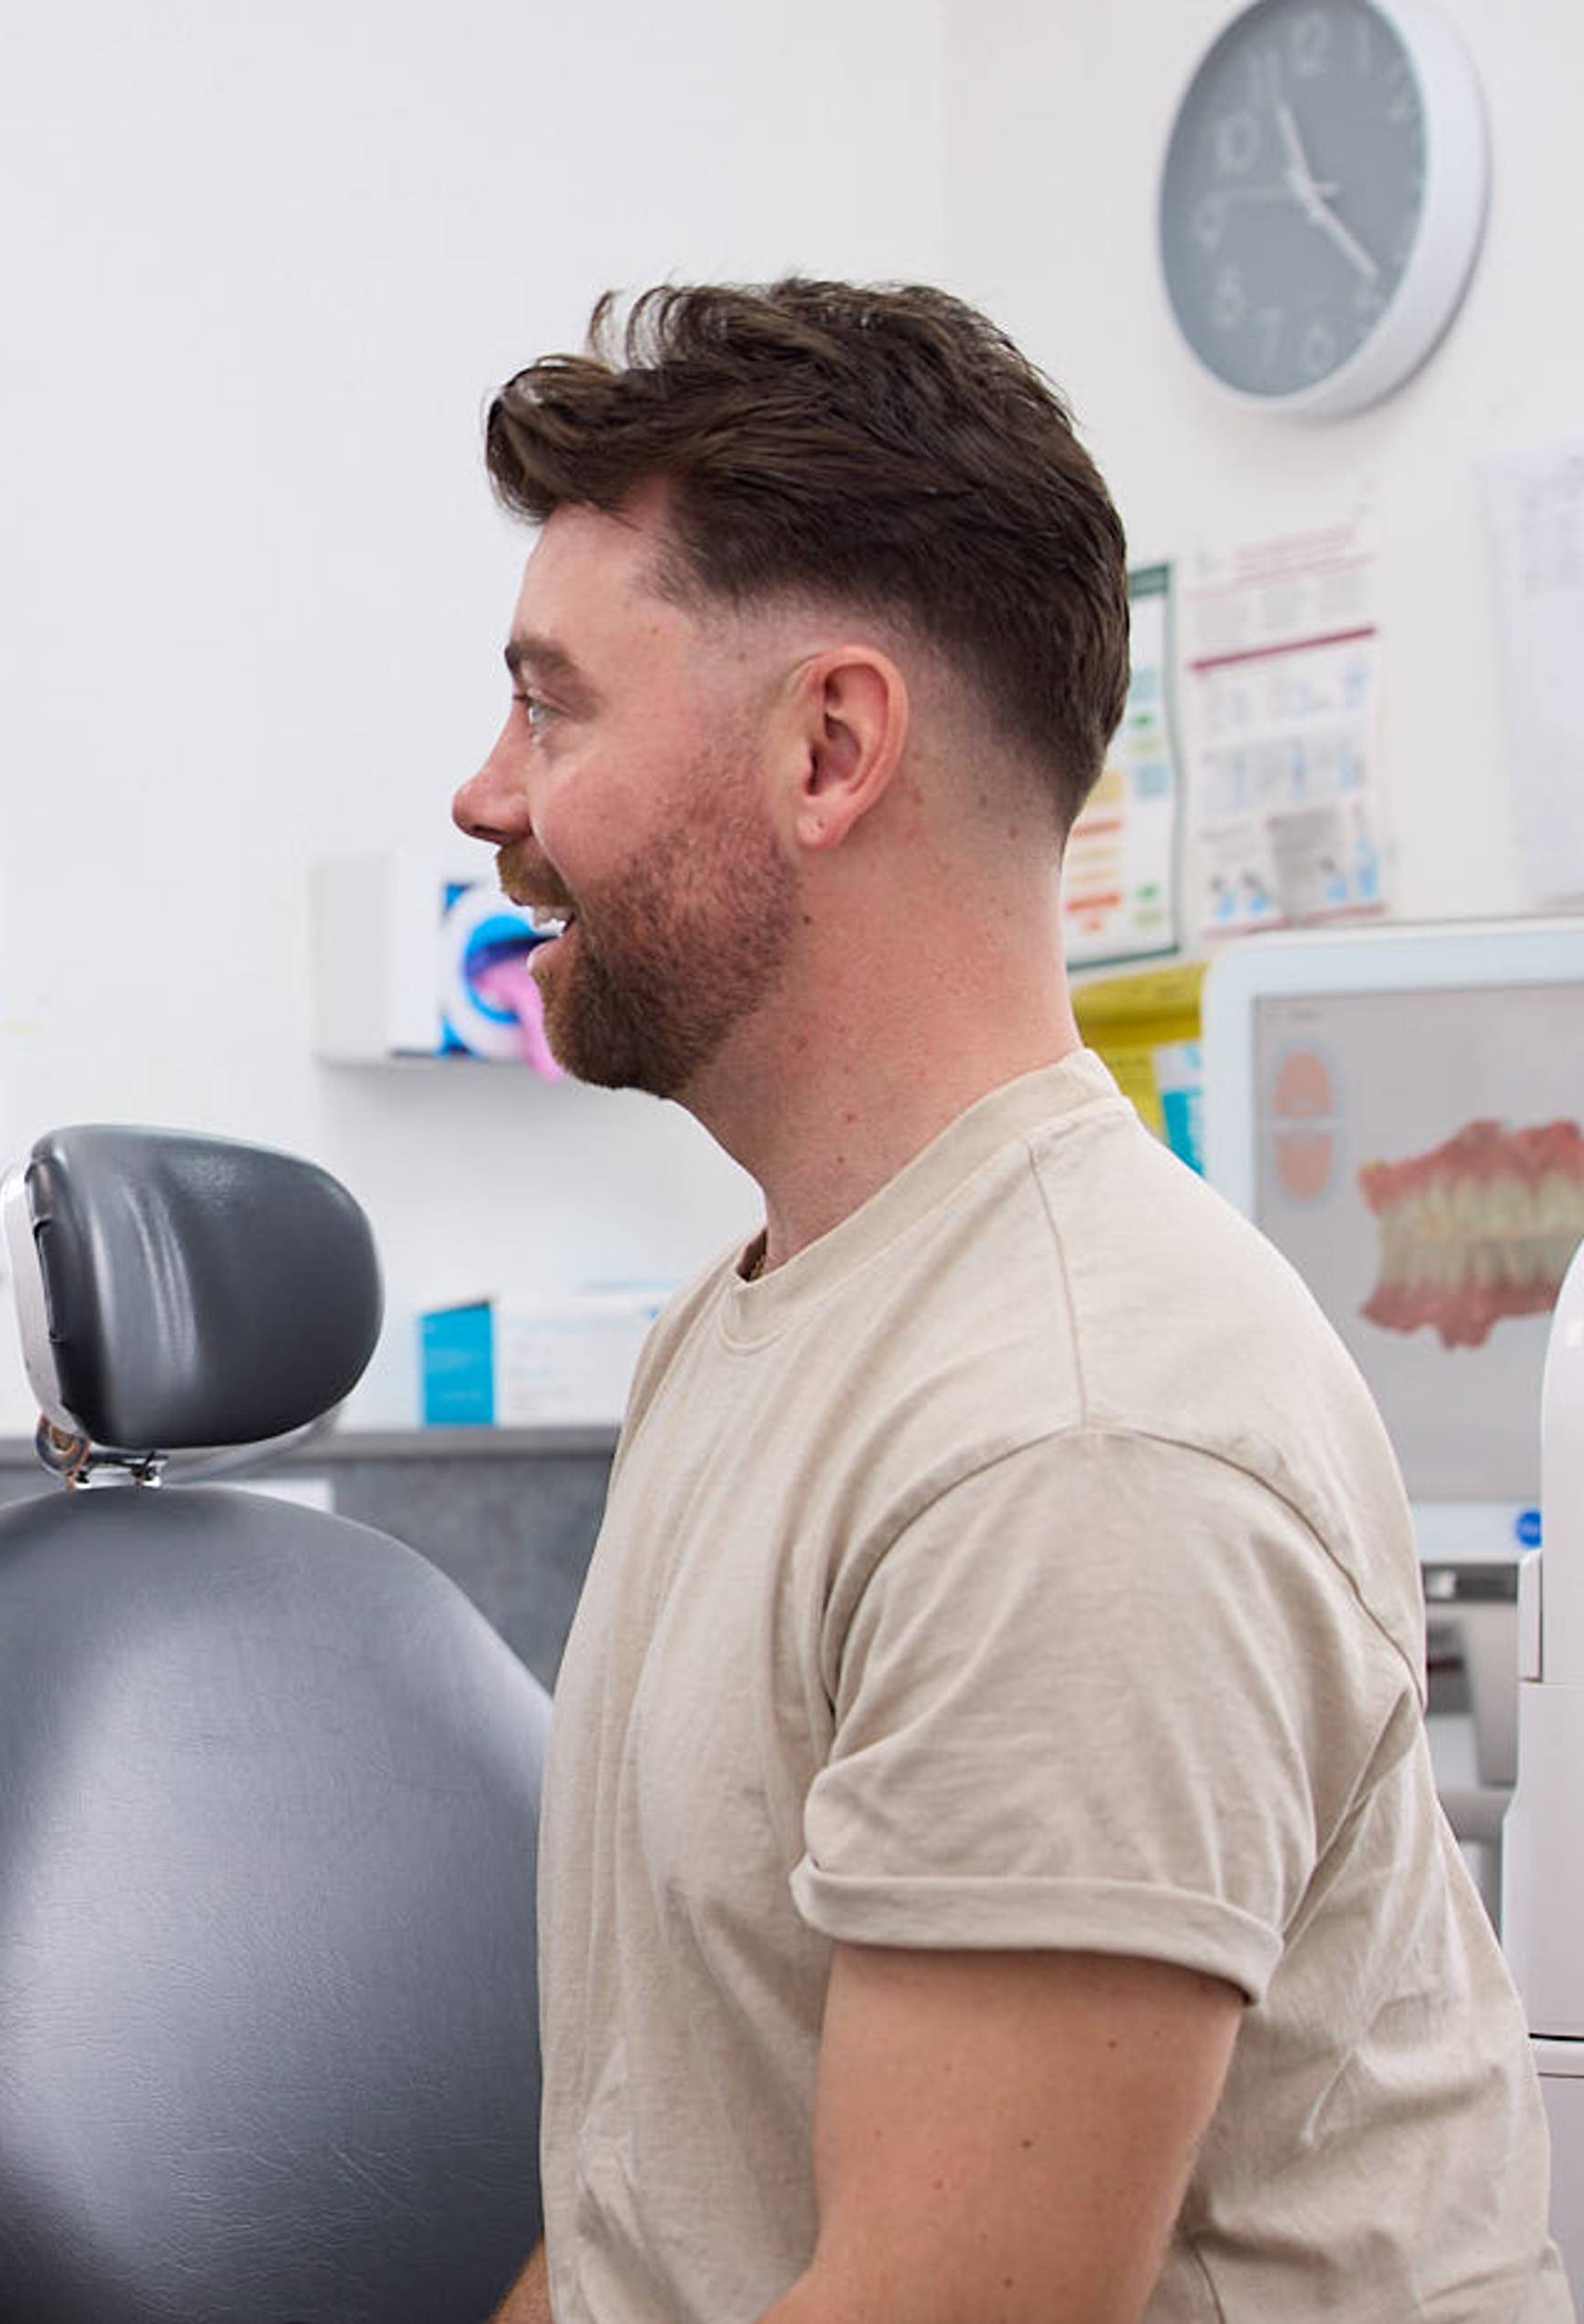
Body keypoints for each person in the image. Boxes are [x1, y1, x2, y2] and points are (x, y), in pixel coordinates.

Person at [450, 283, 1568, 2323]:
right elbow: (655, 2218)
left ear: (832, 747)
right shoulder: (748, 1318)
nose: (487, 798)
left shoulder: (1078, 1429)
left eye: (554, 707)